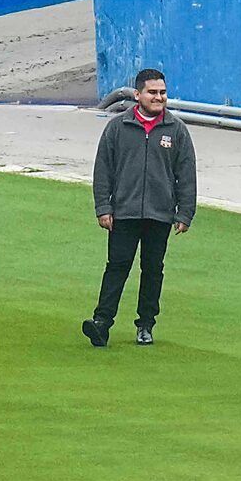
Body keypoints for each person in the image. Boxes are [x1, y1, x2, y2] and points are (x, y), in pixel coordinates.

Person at [84, 66, 195, 347]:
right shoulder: (117, 127)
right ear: (138, 94)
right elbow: (103, 171)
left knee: (152, 269)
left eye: (163, 93)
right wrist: (102, 208)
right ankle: (102, 323)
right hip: (124, 212)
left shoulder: (177, 130)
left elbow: (187, 174)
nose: (159, 98)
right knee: (117, 267)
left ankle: (145, 325)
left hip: (160, 214)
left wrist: (184, 213)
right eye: (153, 92)